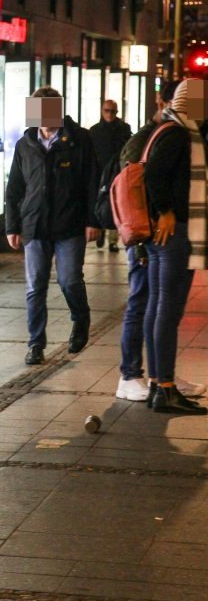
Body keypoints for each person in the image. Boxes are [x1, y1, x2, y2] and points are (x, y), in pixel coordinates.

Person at [115, 81, 206, 404]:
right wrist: (166, 211)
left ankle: (159, 382)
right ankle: (163, 386)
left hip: (167, 234)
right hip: (173, 233)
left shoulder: (173, 129)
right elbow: (155, 175)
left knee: (159, 305)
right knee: (167, 307)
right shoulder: (177, 133)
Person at [5, 86, 102, 366]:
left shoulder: (80, 139)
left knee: (69, 280)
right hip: (35, 225)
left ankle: (80, 320)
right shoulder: (25, 145)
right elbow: (15, 187)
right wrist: (13, 225)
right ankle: (35, 343)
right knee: (35, 287)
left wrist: (92, 220)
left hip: (69, 224)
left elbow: (91, 182)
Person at [88, 99, 132, 252]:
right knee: (101, 202)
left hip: (116, 172)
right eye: (107, 111)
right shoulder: (94, 131)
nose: (110, 114)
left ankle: (112, 238)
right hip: (100, 172)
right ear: (102, 111)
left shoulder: (124, 129)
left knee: (115, 204)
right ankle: (100, 228)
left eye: (112, 111)